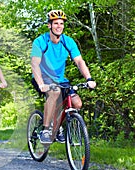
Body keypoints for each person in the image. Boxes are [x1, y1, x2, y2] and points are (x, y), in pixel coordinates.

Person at [30, 10, 96, 144]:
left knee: (76, 103)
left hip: (60, 80)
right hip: (42, 78)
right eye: (55, 23)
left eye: (61, 23)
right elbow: (35, 64)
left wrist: (89, 79)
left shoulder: (68, 41)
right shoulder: (41, 41)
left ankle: (57, 126)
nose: (59, 26)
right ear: (49, 25)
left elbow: (79, 61)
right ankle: (46, 129)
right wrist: (42, 84)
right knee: (55, 92)